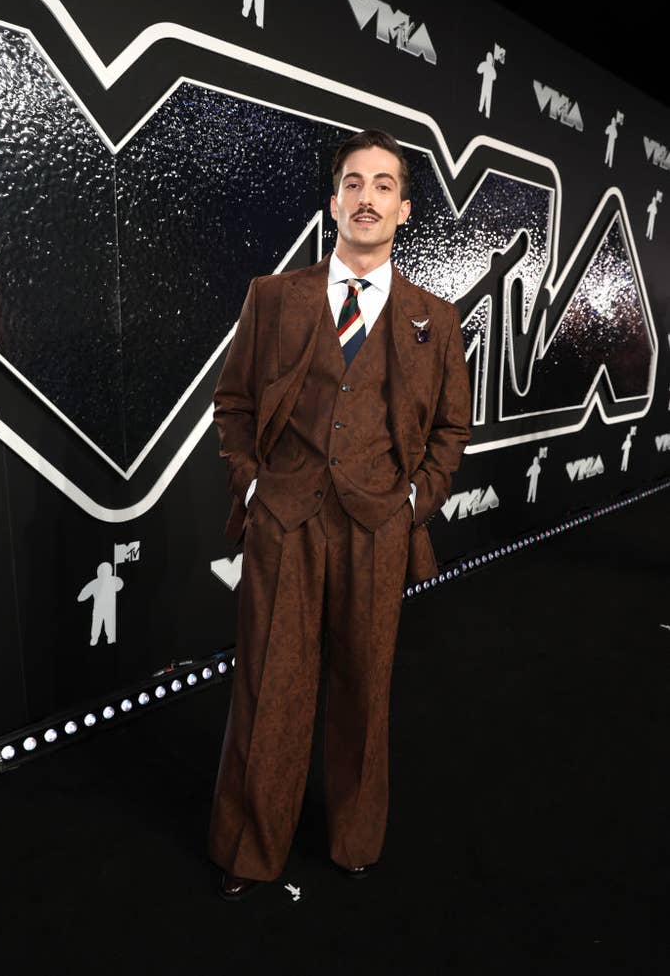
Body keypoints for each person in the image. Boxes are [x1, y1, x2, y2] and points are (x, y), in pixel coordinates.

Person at [208, 128, 471, 900]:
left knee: (365, 687)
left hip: (377, 526)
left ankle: (355, 838)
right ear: (333, 202)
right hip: (284, 522)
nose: (367, 197)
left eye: (383, 185)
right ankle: (250, 850)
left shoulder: (436, 320)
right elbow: (233, 402)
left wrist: (419, 499)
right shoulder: (273, 296)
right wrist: (254, 487)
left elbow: (453, 428)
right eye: (353, 183)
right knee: (269, 688)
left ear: (405, 209)